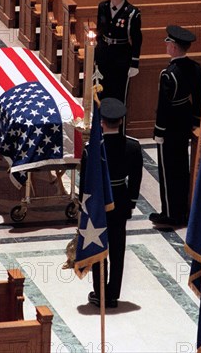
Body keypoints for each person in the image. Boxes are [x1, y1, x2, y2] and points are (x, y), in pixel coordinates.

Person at [85, 98, 143, 308]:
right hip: (121, 201)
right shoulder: (132, 146)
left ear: (101, 121)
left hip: (99, 203)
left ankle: (100, 293)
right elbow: (136, 178)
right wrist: (132, 202)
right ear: (120, 121)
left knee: (98, 245)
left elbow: (86, 183)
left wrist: (86, 207)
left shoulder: (92, 149)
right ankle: (113, 294)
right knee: (118, 248)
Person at [149, 25, 201, 227]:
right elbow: (200, 98)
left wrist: (159, 131)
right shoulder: (195, 68)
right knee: (181, 169)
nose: (167, 46)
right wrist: (195, 120)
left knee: (168, 171)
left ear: (173, 47)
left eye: (168, 43)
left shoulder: (169, 74)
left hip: (170, 127)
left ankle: (171, 214)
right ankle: (181, 211)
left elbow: (164, 106)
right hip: (185, 122)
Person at [94, 0, 142, 106]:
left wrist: (134, 63)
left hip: (120, 57)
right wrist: (95, 54)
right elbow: (99, 31)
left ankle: (118, 126)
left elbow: (137, 39)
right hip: (103, 55)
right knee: (100, 92)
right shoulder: (102, 7)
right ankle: (100, 125)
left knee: (118, 95)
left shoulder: (132, 13)